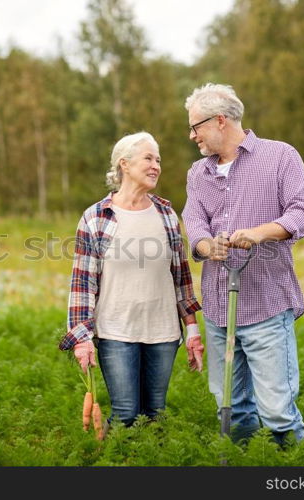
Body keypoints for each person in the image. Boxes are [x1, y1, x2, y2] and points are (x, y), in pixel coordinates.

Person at [181, 83, 304, 445]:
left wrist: (259, 233)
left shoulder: (280, 156)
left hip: (265, 305)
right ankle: (245, 465)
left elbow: (303, 211)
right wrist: (206, 244)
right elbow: (193, 220)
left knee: (276, 410)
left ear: (220, 120)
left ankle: (291, 467)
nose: (192, 135)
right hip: (217, 308)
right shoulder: (198, 173)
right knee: (230, 406)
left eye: (196, 126)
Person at [59, 131, 204, 428]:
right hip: (116, 330)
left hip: (162, 331)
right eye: (148, 158)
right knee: (125, 414)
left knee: (155, 414)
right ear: (124, 165)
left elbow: (181, 276)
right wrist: (81, 338)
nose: (156, 166)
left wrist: (191, 329)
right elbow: (82, 284)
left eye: (159, 160)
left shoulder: (165, 214)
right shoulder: (97, 216)